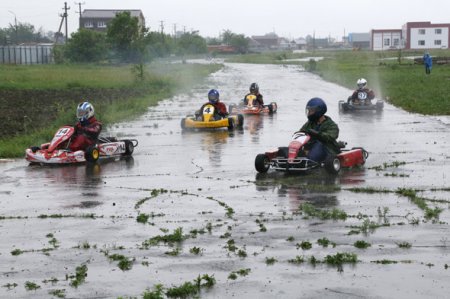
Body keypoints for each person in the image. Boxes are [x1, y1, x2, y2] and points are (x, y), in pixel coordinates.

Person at [298, 97, 340, 163]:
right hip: (311, 147)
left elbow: (330, 137)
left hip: (327, 149)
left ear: (319, 111)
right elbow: (301, 133)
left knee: (318, 144)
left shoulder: (332, 125)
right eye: (308, 111)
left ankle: (310, 161)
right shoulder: (309, 123)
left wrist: (317, 134)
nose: (309, 113)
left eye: (311, 111)